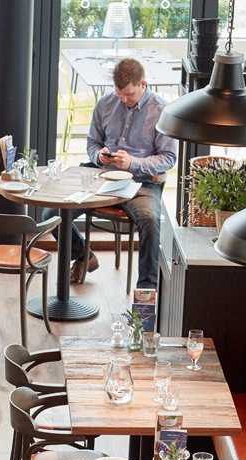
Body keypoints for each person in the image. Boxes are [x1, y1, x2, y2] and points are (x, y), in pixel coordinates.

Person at [65, 58, 177, 289]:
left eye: (129, 95)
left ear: (143, 84)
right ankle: (84, 256)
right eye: (119, 94)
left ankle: (146, 290)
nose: (124, 100)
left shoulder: (162, 110)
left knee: (150, 220)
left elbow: (168, 158)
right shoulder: (105, 104)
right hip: (102, 177)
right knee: (54, 211)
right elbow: (92, 143)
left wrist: (133, 163)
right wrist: (99, 156)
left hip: (141, 183)